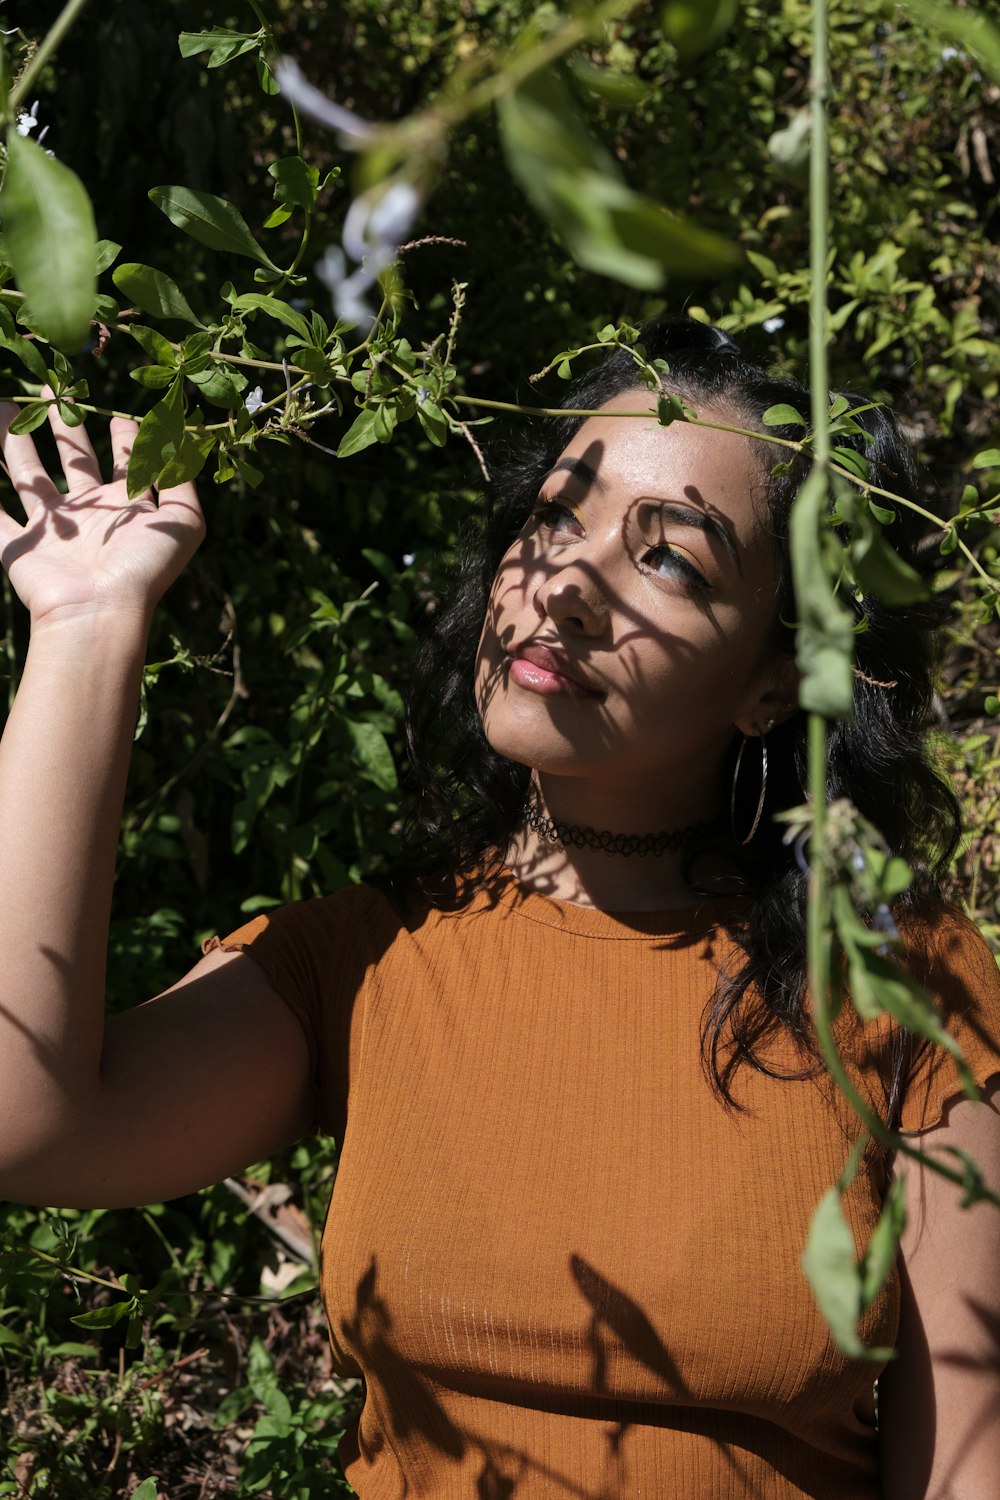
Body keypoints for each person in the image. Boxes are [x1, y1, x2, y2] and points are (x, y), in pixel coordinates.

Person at [0, 321, 997, 1500]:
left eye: (671, 560)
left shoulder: (898, 977)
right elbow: (28, 1129)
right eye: (555, 518)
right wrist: (86, 627)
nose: (570, 585)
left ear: (773, 682)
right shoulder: (364, 961)